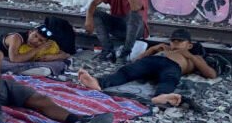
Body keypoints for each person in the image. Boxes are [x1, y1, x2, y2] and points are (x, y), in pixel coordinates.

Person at [78, 28, 215, 106]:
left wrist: (189, 56)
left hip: (172, 66)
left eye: (180, 41)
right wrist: (153, 49)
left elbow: (211, 74)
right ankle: (99, 82)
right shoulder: (165, 50)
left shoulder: (193, 56)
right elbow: (137, 60)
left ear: (189, 45)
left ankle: (161, 96)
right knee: (127, 71)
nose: (176, 44)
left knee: (169, 78)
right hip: (152, 61)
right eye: (173, 41)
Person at [84, 0, 149, 62]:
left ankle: (125, 53)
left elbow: (135, 8)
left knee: (134, 14)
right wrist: (88, 19)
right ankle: (108, 50)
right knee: (96, 13)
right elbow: (94, 3)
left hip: (136, 30)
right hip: (119, 27)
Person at [0, 25, 69, 63]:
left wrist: (54, 57)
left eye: (41, 40)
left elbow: (65, 54)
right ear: (30, 32)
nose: (36, 41)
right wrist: (38, 49)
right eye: (35, 36)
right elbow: (14, 59)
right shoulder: (16, 38)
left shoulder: (43, 45)